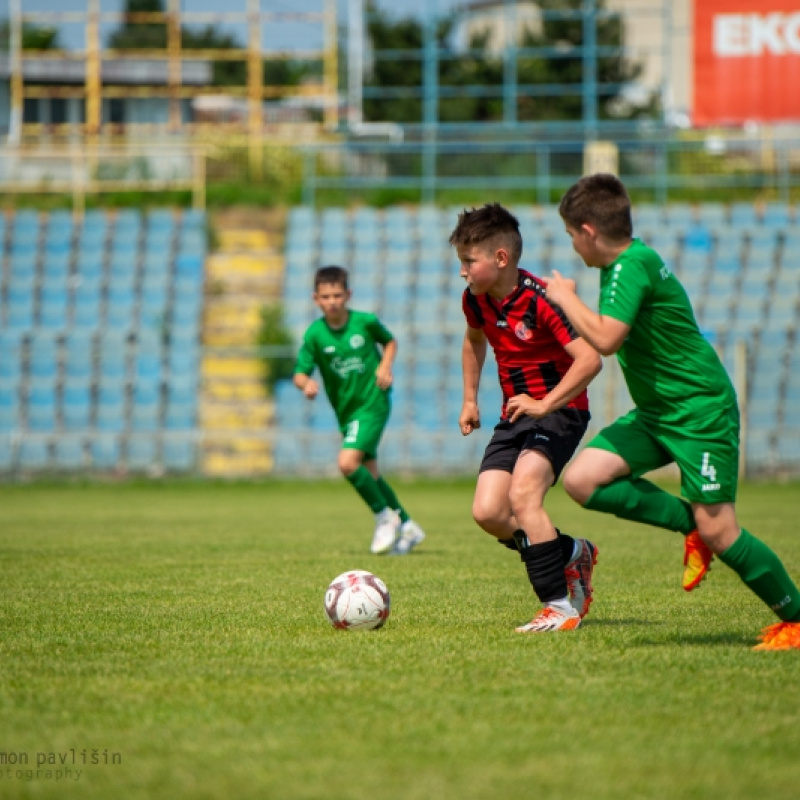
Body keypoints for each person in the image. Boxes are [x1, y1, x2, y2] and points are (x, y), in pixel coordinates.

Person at [544, 173, 800, 650]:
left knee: (722, 528)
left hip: (698, 410)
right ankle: (690, 528)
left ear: (588, 231)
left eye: (570, 236)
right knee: (582, 480)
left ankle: (797, 619)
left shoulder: (631, 267)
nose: (573, 247)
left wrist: (565, 299)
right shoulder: (625, 263)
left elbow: (605, 339)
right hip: (659, 411)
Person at [449, 203, 603, 633]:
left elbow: (590, 360)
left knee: (524, 495)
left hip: (561, 412)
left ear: (500, 259)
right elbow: (473, 342)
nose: (462, 271)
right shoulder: (475, 301)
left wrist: (545, 402)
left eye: (468, 261)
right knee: (488, 512)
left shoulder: (542, 301)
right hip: (516, 416)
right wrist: (469, 399)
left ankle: (558, 606)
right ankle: (572, 551)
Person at [293, 265, 426, 555]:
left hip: (373, 402)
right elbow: (299, 373)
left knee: (346, 463)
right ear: (316, 299)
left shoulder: (364, 322)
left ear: (348, 295)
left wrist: (384, 365)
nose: (332, 301)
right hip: (347, 412)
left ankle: (384, 517)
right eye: (326, 296)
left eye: (337, 295)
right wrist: (306, 385)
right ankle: (407, 525)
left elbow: (389, 341)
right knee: (370, 473)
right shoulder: (315, 334)